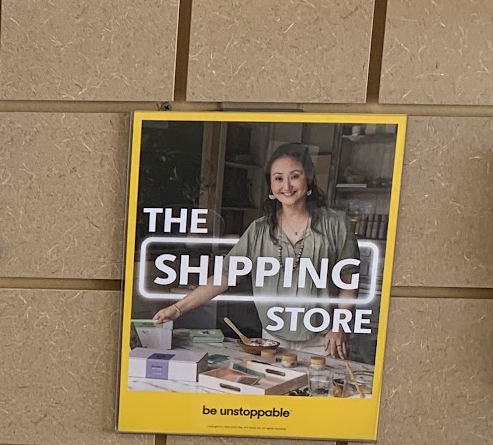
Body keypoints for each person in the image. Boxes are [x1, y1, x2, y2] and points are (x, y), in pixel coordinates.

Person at [154, 143, 363, 359]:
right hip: (272, 340)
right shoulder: (259, 230)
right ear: (271, 186)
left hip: (324, 341)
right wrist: (177, 309)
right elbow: (224, 276)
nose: (287, 186)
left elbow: (348, 281)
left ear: (308, 179)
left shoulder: (336, 224)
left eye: (295, 176)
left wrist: (340, 326)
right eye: (278, 178)